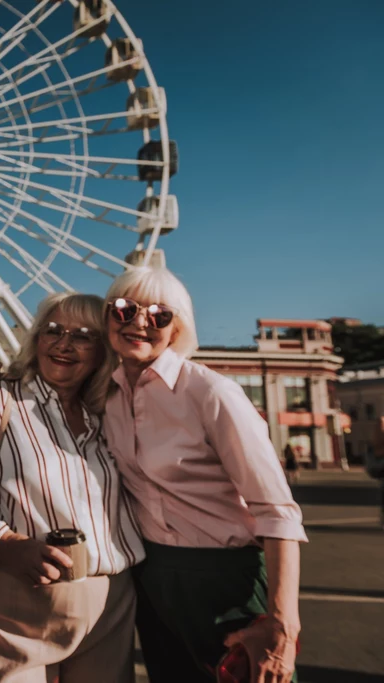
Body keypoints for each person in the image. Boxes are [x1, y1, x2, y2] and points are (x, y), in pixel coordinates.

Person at [102, 267, 305, 683]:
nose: (139, 321)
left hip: (223, 581)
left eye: (159, 315)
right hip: (151, 581)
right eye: (125, 309)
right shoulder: (106, 394)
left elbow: (277, 510)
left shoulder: (211, 392)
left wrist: (283, 623)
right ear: (107, 317)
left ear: (177, 329)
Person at [0, 293, 145, 683]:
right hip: (20, 608)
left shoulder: (107, 413)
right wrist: (4, 542)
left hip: (108, 608)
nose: (64, 344)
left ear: (103, 351)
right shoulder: (1, 402)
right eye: (52, 331)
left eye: (83, 336)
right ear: (36, 340)